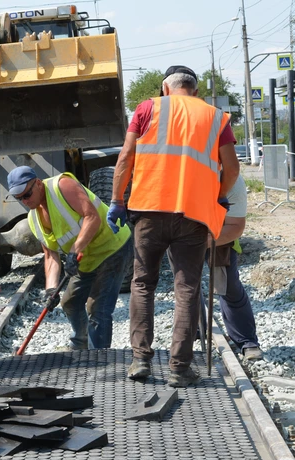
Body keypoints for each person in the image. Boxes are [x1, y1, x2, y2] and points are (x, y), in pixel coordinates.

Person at [108, 65, 240, 387]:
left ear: (166, 88)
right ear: (194, 91)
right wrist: (219, 197)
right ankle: (179, 368)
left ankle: (141, 360)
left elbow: (126, 156)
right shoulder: (215, 117)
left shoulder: (147, 108)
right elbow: (233, 169)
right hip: (193, 216)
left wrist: (117, 200)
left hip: (149, 210)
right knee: (187, 288)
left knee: (142, 284)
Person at [7, 166, 133, 350]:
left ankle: (99, 358)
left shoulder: (62, 186)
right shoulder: (34, 220)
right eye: (20, 199)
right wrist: (51, 290)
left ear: (39, 184)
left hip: (113, 247)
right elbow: (50, 256)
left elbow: (92, 217)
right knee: (70, 302)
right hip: (87, 258)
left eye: (27, 195)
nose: (25, 201)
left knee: (98, 308)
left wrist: (75, 250)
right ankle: (80, 346)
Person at [213, 174, 263, 361]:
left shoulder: (232, 182)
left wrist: (203, 242)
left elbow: (235, 226)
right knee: (186, 288)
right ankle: (192, 333)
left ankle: (247, 341)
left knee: (229, 286)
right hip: (183, 233)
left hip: (221, 233)